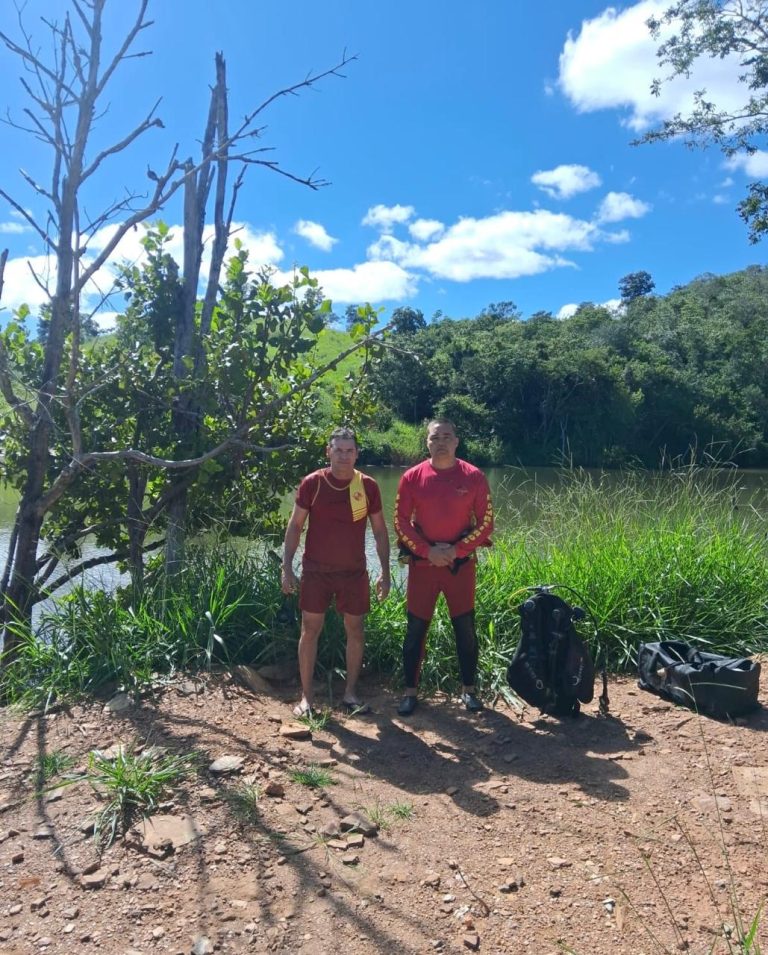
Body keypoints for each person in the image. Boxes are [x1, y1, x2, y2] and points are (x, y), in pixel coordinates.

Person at [282, 426, 390, 717]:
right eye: (338, 450)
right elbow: (295, 526)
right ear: (328, 451)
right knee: (309, 629)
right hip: (316, 571)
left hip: (353, 573)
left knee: (355, 630)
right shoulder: (313, 483)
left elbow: (380, 531)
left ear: (357, 454)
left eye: (349, 450)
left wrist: (386, 571)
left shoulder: (367, 486)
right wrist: (286, 567)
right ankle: (306, 698)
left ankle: (350, 694)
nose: (344, 456)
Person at [394, 418, 493, 715]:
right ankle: (410, 693)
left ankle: (469, 690)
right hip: (423, 566)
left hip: (459, 567)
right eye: (435, 438)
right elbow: (400, 521)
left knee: (465, 629)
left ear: (456, 441)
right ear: (427, 442)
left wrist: (455, 550)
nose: (441, 443)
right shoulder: (412, 477)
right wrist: (427, 551)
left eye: (447, 437)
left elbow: (486, 523)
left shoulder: (474, 476)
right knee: (415, 630)